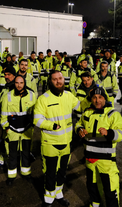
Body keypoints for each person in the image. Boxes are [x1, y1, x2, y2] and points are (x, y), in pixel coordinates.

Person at [33, 70, 80, 207]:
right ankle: (48, 198)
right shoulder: (43, 99)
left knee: (62, 171)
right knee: (50, 172)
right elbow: (37, 120)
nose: (59, 81)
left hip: (66, 142)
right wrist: (52, 126)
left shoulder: (69, 96)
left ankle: (59, 194)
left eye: (60, 78)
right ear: (50, 82)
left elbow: (81, 107)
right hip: (50, 143)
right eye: (55, 79)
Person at [75, 86, 122, 207]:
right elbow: (78, 124)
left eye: (100, 97)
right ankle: (95, 205)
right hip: (90, 160)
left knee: (110, 190)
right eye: (94, 98)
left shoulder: (112, 114)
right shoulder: (87, 112)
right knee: (92, 187)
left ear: (105, 99)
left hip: (106, 162)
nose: (97, 100)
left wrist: (109, 133)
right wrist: (79, 130)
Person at [1, 75, 36, 185]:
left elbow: (35, 112)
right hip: (12, 130)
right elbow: (3, 114)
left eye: (21, 83)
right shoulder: (8, 96)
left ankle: (26, 173)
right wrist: (6, 128)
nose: (19, 85)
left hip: (27, 129)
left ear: (24, 83)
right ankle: (11, 176)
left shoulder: (32, 95)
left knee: (26, 152)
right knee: (12, 153)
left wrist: (33, 125)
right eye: (17, 83)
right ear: (14, 83)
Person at [0, 66, 17, 171]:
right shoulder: (7, 87)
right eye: (5, 75)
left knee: (10, 142)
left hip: (14, 121)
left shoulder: (16, 87)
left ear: (14, 75)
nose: (6, 76)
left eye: (8, 75)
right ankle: (3, 159)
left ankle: (8, 161)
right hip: (5, 120)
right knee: (3, 141)